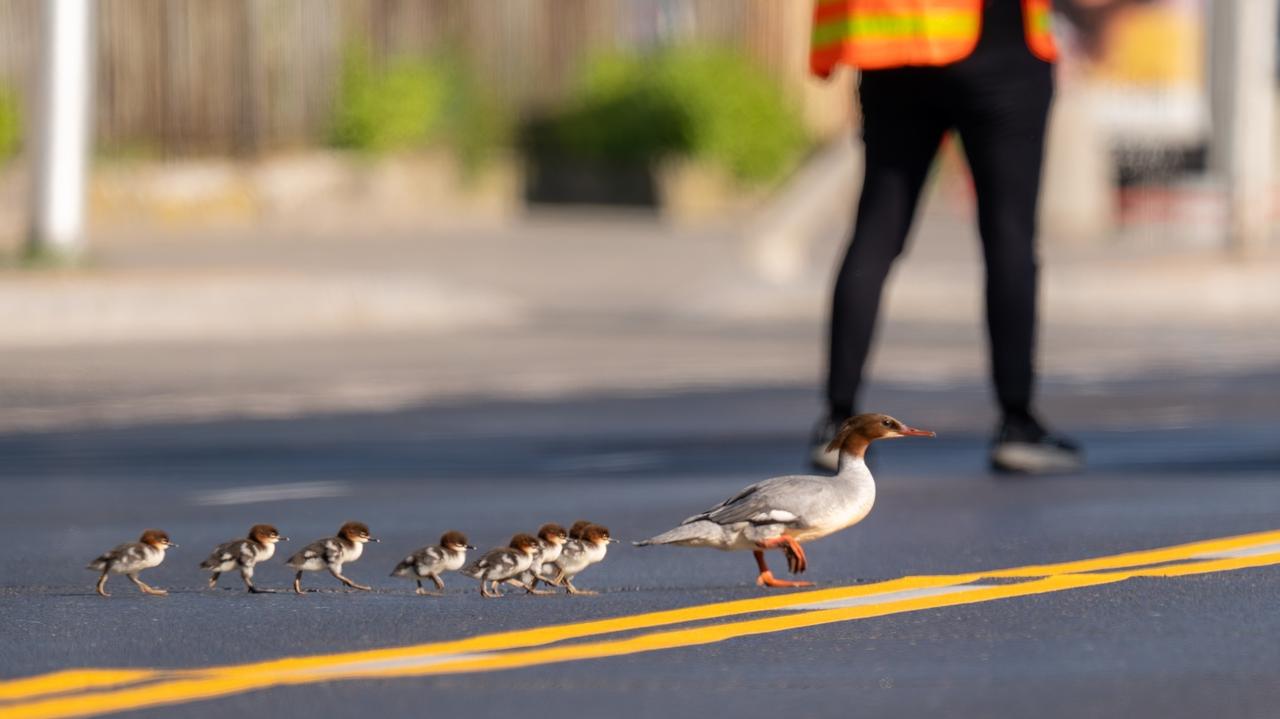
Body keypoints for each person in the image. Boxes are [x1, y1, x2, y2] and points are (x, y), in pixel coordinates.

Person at [808, 0, 1083, 474]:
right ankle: (1017, 425)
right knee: (1009, 240)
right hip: (996, 41)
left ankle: (837, 420)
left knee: (876, 233)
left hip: (891, 46)